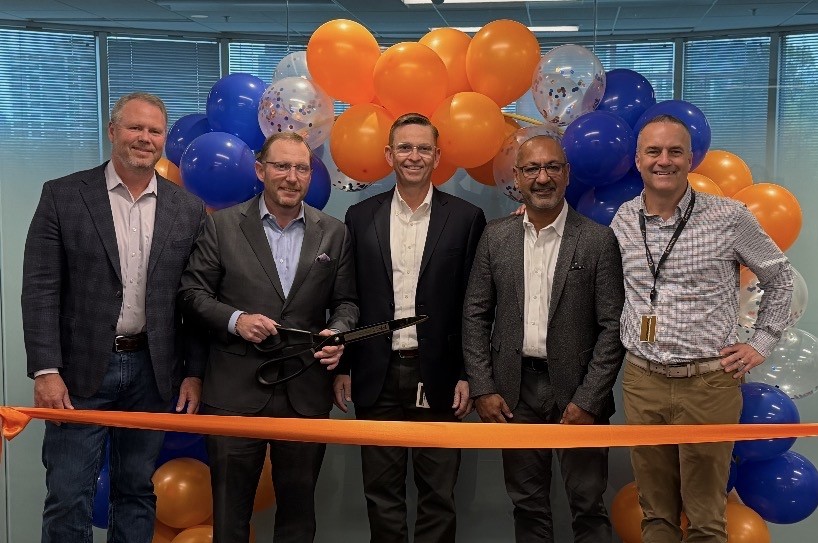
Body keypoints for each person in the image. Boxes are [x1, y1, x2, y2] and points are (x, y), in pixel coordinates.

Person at [22, 92, 207, 543]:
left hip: (153, 371)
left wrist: (194, 373)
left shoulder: (187, 208)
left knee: (137, 492)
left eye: (154, 131)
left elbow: (195, 299)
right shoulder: (63, 196)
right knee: (68, 494)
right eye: (135, 128)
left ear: (164, 140)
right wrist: (46, 370)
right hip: (79, 372)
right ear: (112, 131)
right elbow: (41, 289)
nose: (145, 138)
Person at [610, 114, 793, 543]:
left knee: (707, 518)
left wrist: (760, 342)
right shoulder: (622, 219)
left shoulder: (728, 217)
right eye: (653, 151)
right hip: (643, 380)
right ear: (638, 160)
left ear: (690, 159)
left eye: (675, 151)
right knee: (655, 515)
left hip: (710, 383)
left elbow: (780, 277)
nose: (664, 160)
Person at [179, 131, 358, 543]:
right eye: (281, 166)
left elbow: (347, 302)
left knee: (298, 518)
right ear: (261, 170)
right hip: (233, 394)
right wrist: (236, 319)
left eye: (301, 168)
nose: (291, 177)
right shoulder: (221, 226)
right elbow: (190, 294)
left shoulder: (334, 232)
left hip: (305, 391)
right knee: (230, 516)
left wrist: (341, 333)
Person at [462, 135, 625, 543]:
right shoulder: (496, 237)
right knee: (528, 506)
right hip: (513, 394)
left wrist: (588, 399)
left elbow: (613, 327)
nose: (542, 177)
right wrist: (483, 387)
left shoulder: (598, 239)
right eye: (532, 168)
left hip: (579, 393)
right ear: (517, 177)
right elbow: (475, 315)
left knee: (588, 506)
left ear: (567, 174)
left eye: (552, 167)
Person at [335, 112, 486, 543]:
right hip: (374, 374)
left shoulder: (466, 218)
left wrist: (466, 374)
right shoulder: (360, 216)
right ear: (388, 154)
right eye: (405, 147)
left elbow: (473, 305)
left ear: (437, 156)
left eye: (423, 148)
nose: (413, 156)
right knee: (381, 493)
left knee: (438, 494)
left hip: (437, 375)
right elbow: (348, 297)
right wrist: (344, 365)